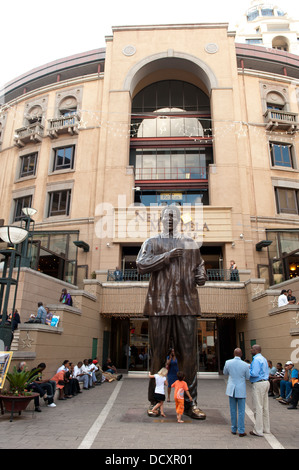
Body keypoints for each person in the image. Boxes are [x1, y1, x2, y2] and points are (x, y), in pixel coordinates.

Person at [136, 204, 207, 420]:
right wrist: (166, 256)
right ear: (160, 219)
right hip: (159, 306)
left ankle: (190, 403)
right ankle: (155, 402)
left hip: (186, 305)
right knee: (157, 357)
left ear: (179, 220)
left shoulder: (190, 243)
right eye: (166, 215)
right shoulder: (152, 242)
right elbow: (141, 264)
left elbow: (199, 265)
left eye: (174, 216)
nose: (170, 219)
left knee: (189, 358)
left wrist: (201, 274)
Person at [223, 348, 250, 437]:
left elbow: (225, 372)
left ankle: (233, 428)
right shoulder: (245, 365)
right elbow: (248, 377)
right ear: (241, 354)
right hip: (241, 388)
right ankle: (241, 430)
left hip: (231, 388)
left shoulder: (228, 362)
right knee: (242, 411)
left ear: (234, 354)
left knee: (233, 410)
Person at [249, 344, 270, 437]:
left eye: (252, 348)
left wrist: (248, 370)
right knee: (265, 407)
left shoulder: (256, 360)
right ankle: (266, 428)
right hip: (266, 382)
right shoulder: (264, 359)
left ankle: (258, 430)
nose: (250, 350)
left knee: (258, 407)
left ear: (256, 350)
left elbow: (254, 373)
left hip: (258, 383)